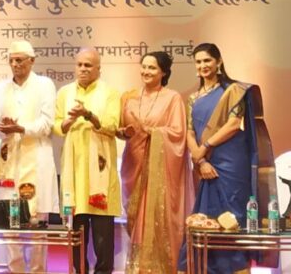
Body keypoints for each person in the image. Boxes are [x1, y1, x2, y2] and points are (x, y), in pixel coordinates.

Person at [177, 43, 271, 274]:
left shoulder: (233, 90)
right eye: (198, 62)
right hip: (205, 162)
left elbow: (233, 124)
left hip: (231, 162)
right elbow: (190, 132)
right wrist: (200, 161)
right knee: (206, 217)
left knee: (233, 216)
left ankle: (237, 268)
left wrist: (205, 147)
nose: (202, 66)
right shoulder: (194, 98)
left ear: (218, 61)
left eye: (207, 60)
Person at [116, 51, 191, 274]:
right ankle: (138, 267)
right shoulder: (128, 97)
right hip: (133, 163)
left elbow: (178, 133)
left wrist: (153, 132)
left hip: (160, 170)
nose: (146, 71)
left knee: (158, 217)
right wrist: (123, 132)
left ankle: (160, 268)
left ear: (163, 73)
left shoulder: (172, 98)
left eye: (152, 68)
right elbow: (120, 129)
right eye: (144, 66)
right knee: (134, 217)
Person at [0, 41, 58, 272]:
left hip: (36, 158)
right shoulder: (1, 89)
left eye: (19, 60)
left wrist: (21, 128)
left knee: (36, 222)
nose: (15, 64)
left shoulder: (44, 85)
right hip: (9, 159)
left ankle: (38, 270)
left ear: (32, 60)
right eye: (11, 60)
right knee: (10, 223)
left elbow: (47, 123)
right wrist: (3, 127)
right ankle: (15, 269)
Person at [54, 48, 120, 274]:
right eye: (80, 64)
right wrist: (69, 120)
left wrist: (88, 115)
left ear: (98, 69)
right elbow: (57, 126)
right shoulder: (65, 92)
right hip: (73, 172)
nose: (83, 69)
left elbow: (112, 125)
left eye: (88, 65)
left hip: (100, 172)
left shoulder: (110, 93)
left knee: (103, 240)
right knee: (76, 235)